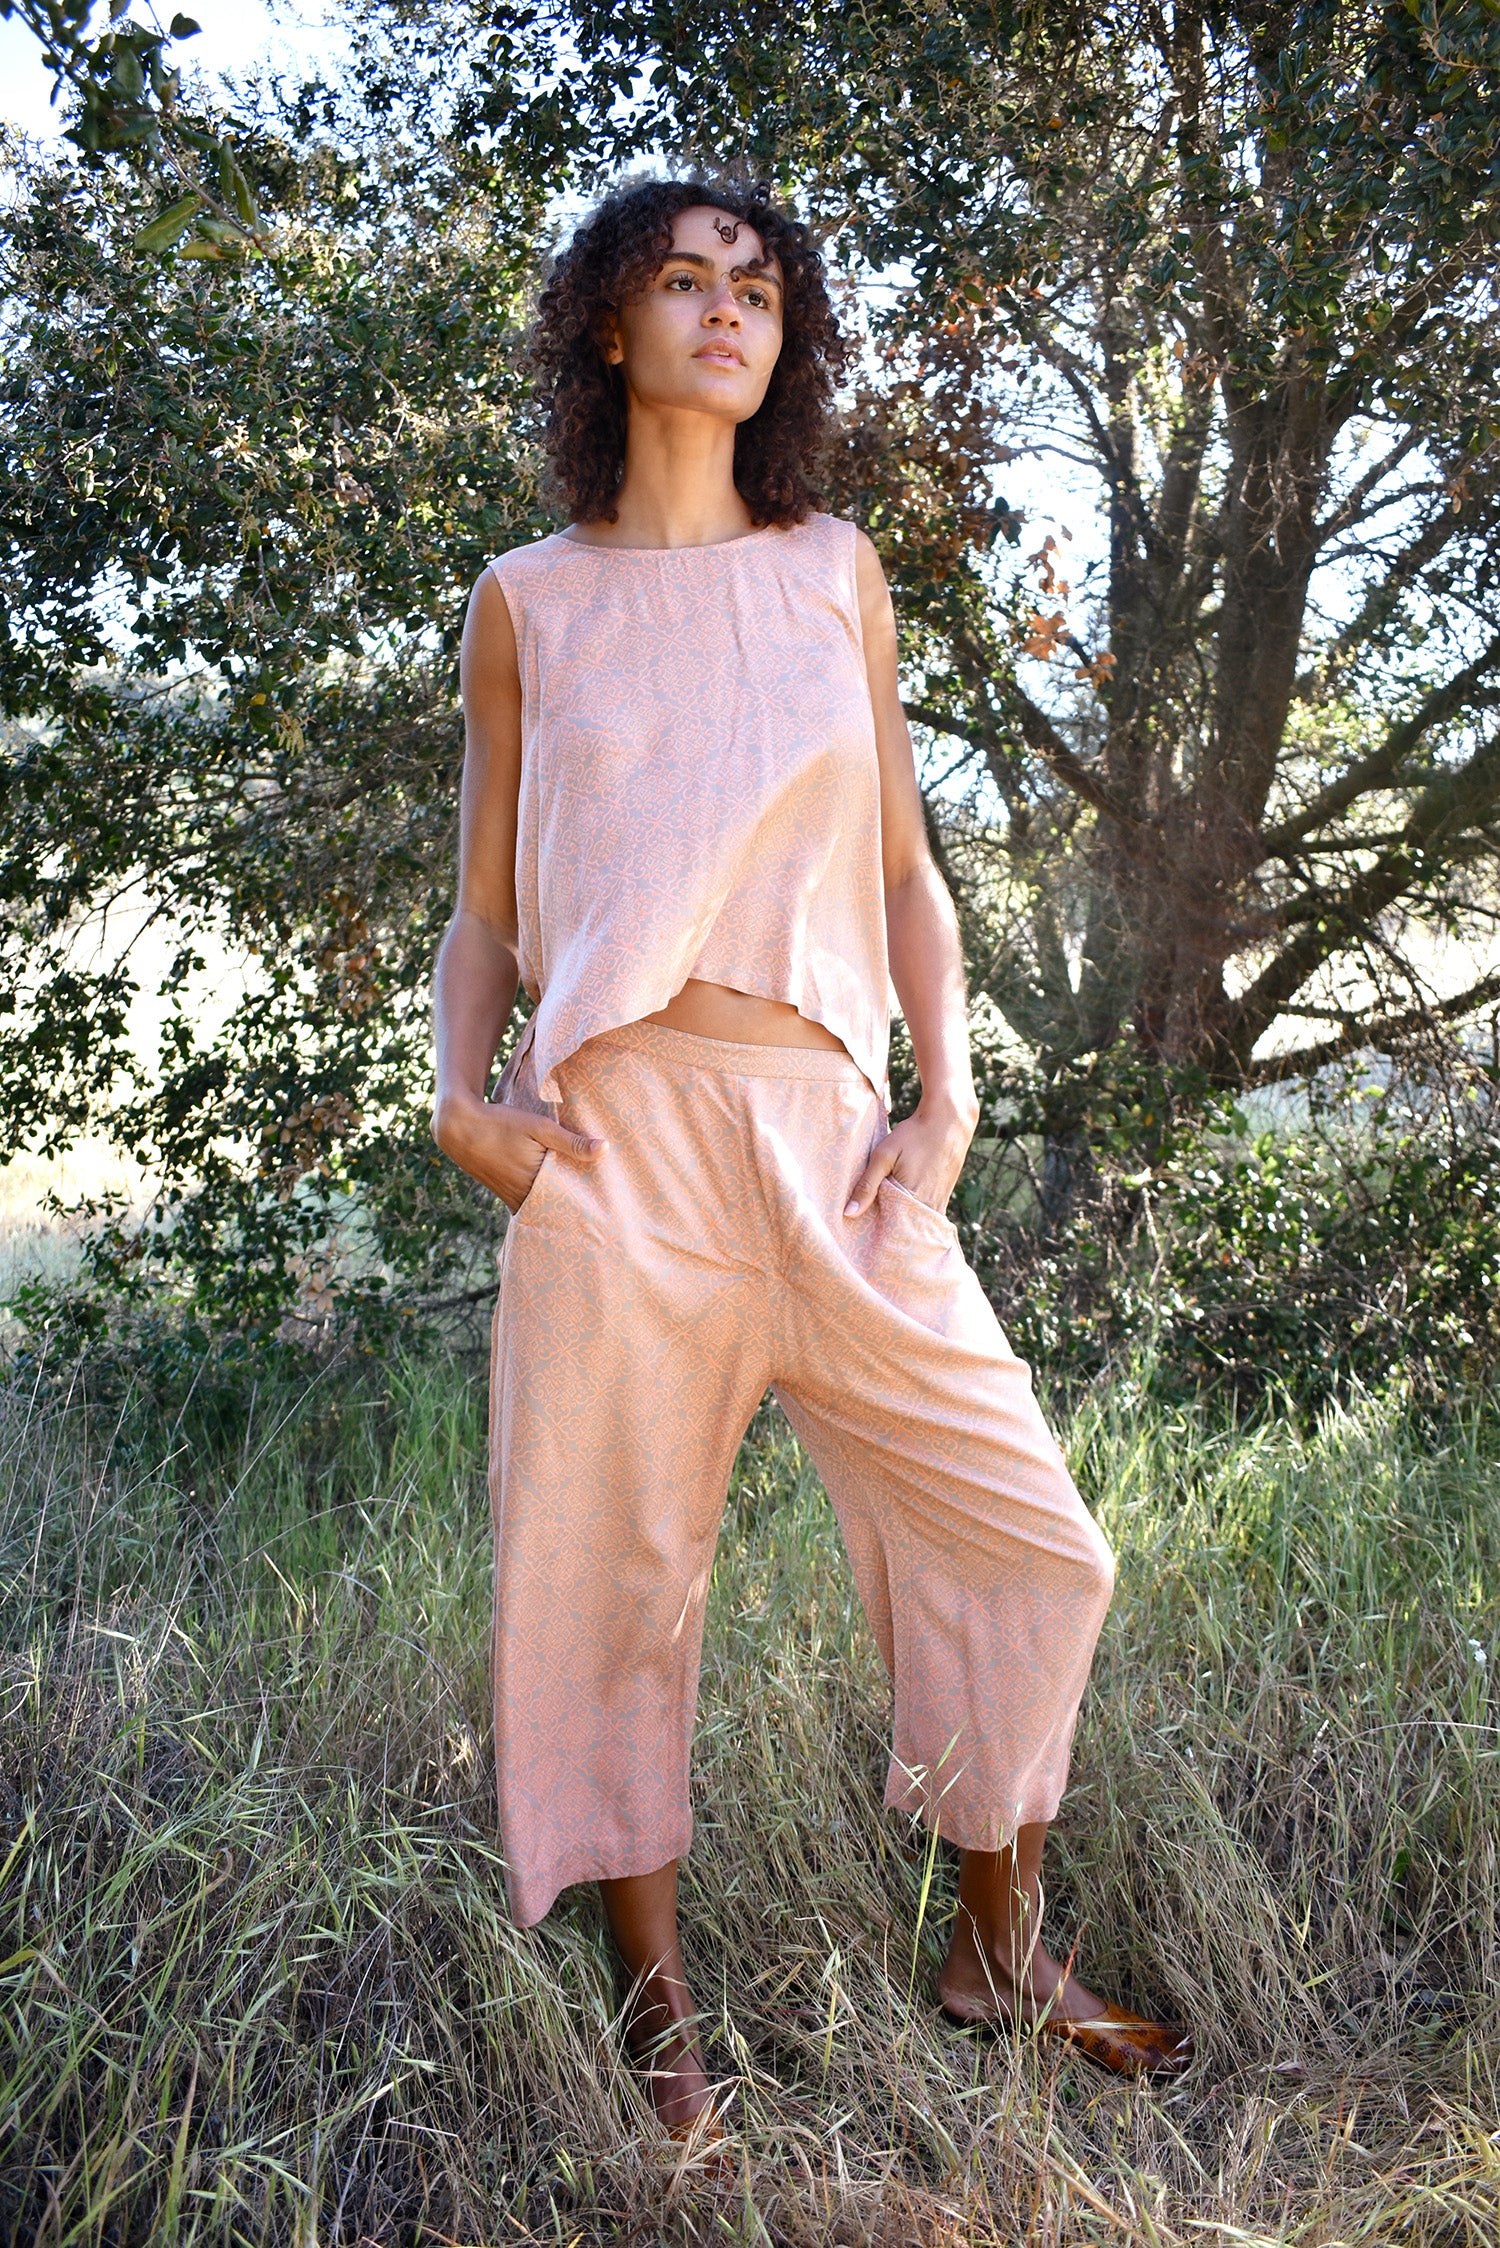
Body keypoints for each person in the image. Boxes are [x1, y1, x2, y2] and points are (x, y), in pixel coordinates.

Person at [431, 175, 1190, 2134]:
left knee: (1032, 1539)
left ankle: (995, 1942)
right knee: (612, 1587)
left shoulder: (834, 567)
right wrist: (463, 1093)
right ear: (610, 326)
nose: (724, 312)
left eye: (755, 288)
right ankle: (660, 2021)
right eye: (681, 283)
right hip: (620, 1154)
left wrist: (946, 1101)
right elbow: (489, 916)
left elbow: (908, 872)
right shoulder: (529, 601)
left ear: (786, 336)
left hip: (833, 1139)